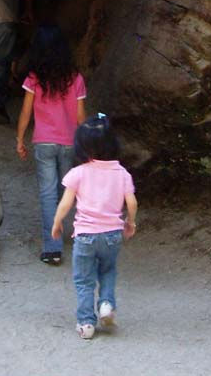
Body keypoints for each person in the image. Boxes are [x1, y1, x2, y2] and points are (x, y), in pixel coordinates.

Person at [51, 114, 137, 340]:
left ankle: (86, 323)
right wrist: (130, 221)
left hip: (86, 235)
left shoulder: (78, 173)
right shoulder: (122, 173)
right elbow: (131, 202)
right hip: (112, 234)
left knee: (84, 280)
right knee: (108, 270)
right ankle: (107, 304)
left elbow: (66, 202)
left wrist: (57, 222)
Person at [16, 24, 87, 266]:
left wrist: (20, 138)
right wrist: (86, 144)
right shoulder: (75, 78)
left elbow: (26, 111)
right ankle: (60, 230)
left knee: (48, 194)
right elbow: (80, 117)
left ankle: (52, 247)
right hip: (68, 143)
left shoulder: (34, 78)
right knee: (62, 190)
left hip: (43, 143)